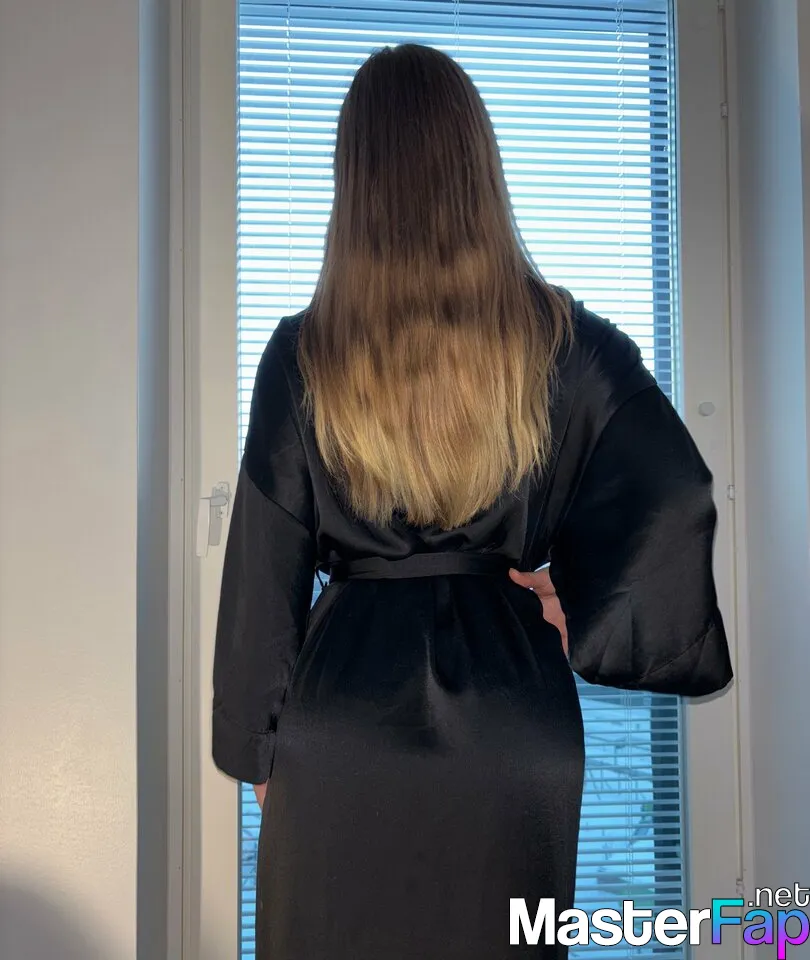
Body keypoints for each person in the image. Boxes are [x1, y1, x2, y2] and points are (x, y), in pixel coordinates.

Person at [212, 43, 733, 960]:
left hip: (343, 727)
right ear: (477, 165)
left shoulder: (302, 353)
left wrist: (256, 746)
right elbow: (672, 490)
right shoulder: (564, 340)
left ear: (354, 180)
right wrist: (579, 607)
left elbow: (265, 566)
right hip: (510, 727)